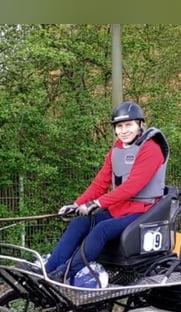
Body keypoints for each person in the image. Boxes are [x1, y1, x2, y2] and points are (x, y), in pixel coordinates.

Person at [39, 101, 169, 283]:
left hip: (144, 212)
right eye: (119, 126)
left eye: (129, 125)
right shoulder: (116, 150)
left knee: (101, 229)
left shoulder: (151, 149)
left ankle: (64, 273)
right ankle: (47, 271)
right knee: (79, 223)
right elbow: (100, 182)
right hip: (120, 209)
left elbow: (132, 186)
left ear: (140, 125)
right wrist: (77, 204)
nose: (124, 130)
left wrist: (97, 203)